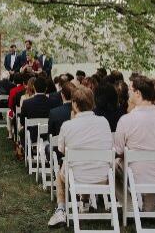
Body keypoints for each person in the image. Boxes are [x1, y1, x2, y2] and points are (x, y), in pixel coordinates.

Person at [48, 87, 113, 227]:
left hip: (76, 177)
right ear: (92, 104)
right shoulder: (104, 122)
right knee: (87, 163)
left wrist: (72, 121)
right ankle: (84, 201)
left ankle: (60, 209)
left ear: (75, 104)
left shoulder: (68, 125)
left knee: (61, 173)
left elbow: (61, 150)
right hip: (103, 177)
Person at [114, 76, 155, 212]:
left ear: (138, 93)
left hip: (135, 176)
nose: (128, 93)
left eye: (130, 89)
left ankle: (129, 206)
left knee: (112, 165)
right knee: (153, 163)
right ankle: (149, 207)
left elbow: (117, 150)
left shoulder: (126, 120)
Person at [19, 76, 53, 145]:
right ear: (46, 88)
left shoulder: (26, 103)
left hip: (32, 136)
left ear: (34, 87)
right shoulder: (53, 102)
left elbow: (22, 122)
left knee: (22, 132)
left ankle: (26, 150)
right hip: (47, 135)